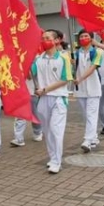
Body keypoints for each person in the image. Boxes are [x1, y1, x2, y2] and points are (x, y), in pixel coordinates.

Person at [32, 30, 73, 174]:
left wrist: (45, 89)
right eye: (42, 38)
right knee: (47, 131)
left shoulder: (63, 58)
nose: (44, 40)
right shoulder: (38, 59)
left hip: (58, 98)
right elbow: (31, 75)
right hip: (43, 100)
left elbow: (65, 79)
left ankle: (57, 161)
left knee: (56, 130)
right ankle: (52, 158)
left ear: (56, 41)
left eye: (47, 38)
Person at [73, 30, 103, 153]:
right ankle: (94, 138)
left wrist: (80, 78)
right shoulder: (75, 53)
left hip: (93, 88)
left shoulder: (97, 52)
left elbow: (92, 68)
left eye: (86, 36)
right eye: (81, 36)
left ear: (91, 38)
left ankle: (87, 140)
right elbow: (72, 68)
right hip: (80, 89)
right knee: (86, 115)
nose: (83, 38)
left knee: (91, 114)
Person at [10, 71, 43, 147]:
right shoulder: (18, 61)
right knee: (20, 115)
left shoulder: (34, 61)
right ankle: (19, 138)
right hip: (21, 92)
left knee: (35, 115)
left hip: (32, 92)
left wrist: (25, 66)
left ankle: (37, 132)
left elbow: (30, 76)